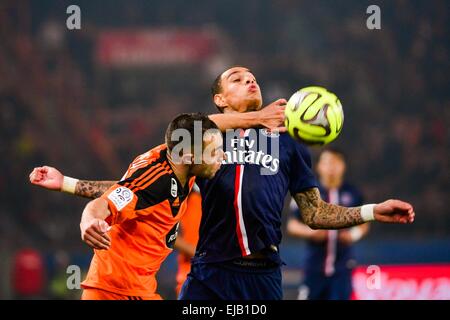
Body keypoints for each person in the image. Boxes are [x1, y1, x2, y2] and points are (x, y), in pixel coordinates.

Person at [30, 66, 415, 300]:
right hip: (209, 272)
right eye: (237, 78)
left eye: (253, 78)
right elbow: (140, 181)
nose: (250, 81)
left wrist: (372, 211)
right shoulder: (204, 140)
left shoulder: (289, 144)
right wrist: (71, 185)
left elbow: (315, 212)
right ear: (219, 99)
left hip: (262, 274)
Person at [66, 113, 223, 299]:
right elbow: (103, 204)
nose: (221, 157)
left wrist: (66, 183)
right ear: (189, 158)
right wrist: (88, 221)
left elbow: (125, 188)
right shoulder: (156, 182)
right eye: (213, 153)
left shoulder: (176, 156)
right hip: (115, 291)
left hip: (140, 288)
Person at [287, 148, 369, 300]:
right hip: (314, 267)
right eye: (327, 162)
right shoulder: (307, 193)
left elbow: (364, 224)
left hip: (342, 268)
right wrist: (310, 232)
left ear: (343, 166)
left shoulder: (353, 193)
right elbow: (292, 225)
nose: (331, 167)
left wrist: (353, 235)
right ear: (319, 166)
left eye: (336, 162)